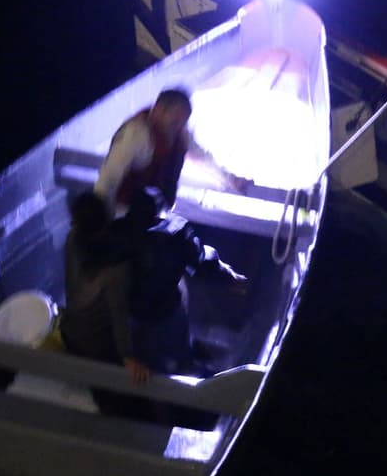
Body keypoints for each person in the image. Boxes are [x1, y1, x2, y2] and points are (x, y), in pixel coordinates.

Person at [115, 187, 248, 376]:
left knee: (144, 350)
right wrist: (229, 276)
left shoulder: (117, 231)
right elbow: (201, 261)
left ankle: (166, 364)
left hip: (130, 313)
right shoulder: (175, 229)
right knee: (175, 341)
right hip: (165, 312)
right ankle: (184, 363)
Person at [94, 87, 249, 216]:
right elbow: (108, 178)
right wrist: (98, 222)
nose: (178, 128)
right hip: (123, 216)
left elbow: (202, 158)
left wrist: (230, 179)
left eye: (183, 122)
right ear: (159, 110)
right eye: (175, 121)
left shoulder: (180, 133)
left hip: (156, 215)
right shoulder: (135, 134)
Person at [60, 193, 150, 387]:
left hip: (70, 330)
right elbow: (120, 315)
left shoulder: (71, 239)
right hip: (95, 346)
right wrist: (128, 357)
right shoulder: (114, 273)